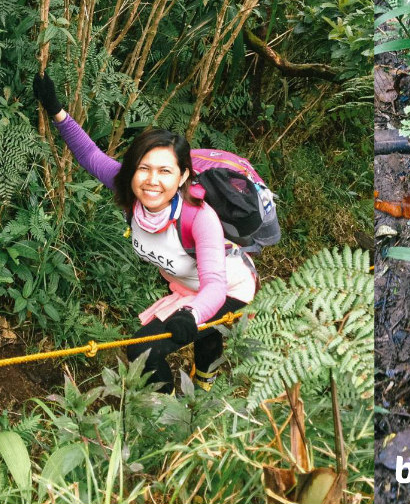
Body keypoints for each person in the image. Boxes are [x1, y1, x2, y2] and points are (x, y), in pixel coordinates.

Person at [33, 71, 277, 393]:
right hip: (188, 287)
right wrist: (57, 111)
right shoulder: (131, 189)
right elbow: (90, 155)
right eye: (144, 168)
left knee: (143, 350)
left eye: (165, 171)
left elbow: (215, 285)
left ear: (182, 177)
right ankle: (198, 388)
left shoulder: (198, 217)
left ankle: (170, 415)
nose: (152, 180)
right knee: (209, 335)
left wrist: (192, 314)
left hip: (230, 289)